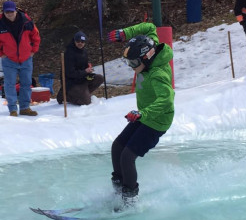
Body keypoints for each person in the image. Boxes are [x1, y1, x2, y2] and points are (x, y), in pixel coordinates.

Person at [106, 22, 174, 208]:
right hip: (144, 116)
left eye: (134, 63)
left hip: (157, 120)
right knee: (117, 147)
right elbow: (150, 27)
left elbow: (167, 100)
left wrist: (144, 113)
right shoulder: (152, 48)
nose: (131, 67)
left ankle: (129, 201)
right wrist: (125, 33)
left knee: (127, 156)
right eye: (129, 62)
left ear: (147, 57)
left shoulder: (158, 74)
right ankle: (119, 192)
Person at [0, 0, 41, 117]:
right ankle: (12, 109)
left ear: (16, 10)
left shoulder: (26, 21)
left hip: (26, 58)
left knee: (26, 84)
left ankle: (25, 108)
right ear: (3, 12)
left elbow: (35, 36)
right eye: (7, 12)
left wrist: (33, 50)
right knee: (9, 84)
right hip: (9, 59)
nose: (9, 14)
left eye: (11, 11)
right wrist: (0, 53)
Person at [56, 31, 104, 105]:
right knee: (86, 102)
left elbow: (84, 67)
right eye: (78, 41)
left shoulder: (84, 51)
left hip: (82, 79)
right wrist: (85, 71)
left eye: (82, 41)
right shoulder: (69, 53)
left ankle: (82, 94)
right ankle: (66, 95)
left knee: (99, 78)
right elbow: (70, 73)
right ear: (74, 41)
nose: (80, 43)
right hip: (71, 82)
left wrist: (89, 70)